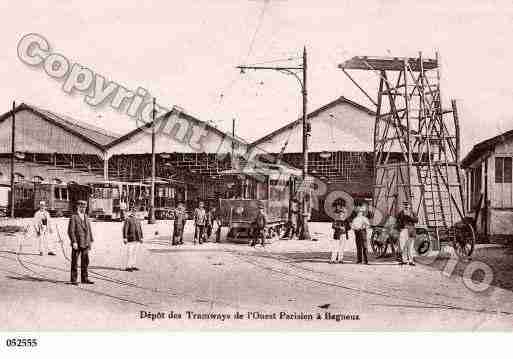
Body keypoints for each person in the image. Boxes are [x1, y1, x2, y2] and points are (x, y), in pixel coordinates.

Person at [67, 200, 94, 285]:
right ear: (78, 207)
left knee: (85, 261)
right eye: (82, 207)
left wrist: (90, 241)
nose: (84, 209)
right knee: (75, 261)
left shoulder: (86, 216)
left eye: (85, 207)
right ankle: (73, 279)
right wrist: (74, 241)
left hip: (85, 242)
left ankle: (84, 278)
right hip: (77, 243)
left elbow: (89, 230)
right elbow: (70, 231)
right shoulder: (74, 217)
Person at [397, 201, 419, 266]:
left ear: (409, 206)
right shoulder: (400, 213)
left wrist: (410, 216)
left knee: (410, 247)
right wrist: (399, 228)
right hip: (403, 230)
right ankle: (404, 260)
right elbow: (397, 221)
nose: (406, 206)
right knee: (403, 246)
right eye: (405, 205)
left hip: (411, 231)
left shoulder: (413, 213)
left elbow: (416, 220)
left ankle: (411, 261)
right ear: (403, 206)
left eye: (407, 205)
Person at [122, 207, 143, 271]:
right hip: (131, 238)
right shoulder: (128, 219)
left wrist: (141, 237)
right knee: (130, 252)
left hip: (137, 238)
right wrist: (125, 237)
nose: (135, 212)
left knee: (135, 252)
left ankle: (133, 265)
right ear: (131, 211)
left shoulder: (138, 219)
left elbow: (140, 229)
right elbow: (125, 229)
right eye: (133, 211)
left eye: (136, 211)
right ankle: (128, 266)